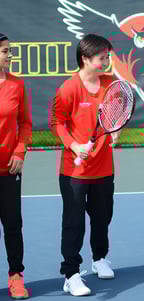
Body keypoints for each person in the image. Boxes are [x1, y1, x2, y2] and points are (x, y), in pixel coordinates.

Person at [51, 34, 120, 296]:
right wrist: (75, 145)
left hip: (104, 167)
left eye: (107, 57)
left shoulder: (111, 83)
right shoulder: (69, 88)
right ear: (86, 59)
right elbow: (58, 122)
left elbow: (116, 113)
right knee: (74, 223)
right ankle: (71, 274)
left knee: (103, 217)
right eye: (102, 57)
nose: (106, 61)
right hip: (74, 171)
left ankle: (100, 258)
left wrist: (116, 131)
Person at [0, 33, 32, 299]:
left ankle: (16, 277)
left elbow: (25, 123)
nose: (9, 56)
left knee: (13, 225)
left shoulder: (17, 85)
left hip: (9, 171)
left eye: (9, 51)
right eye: (5, 51)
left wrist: (20, 150)